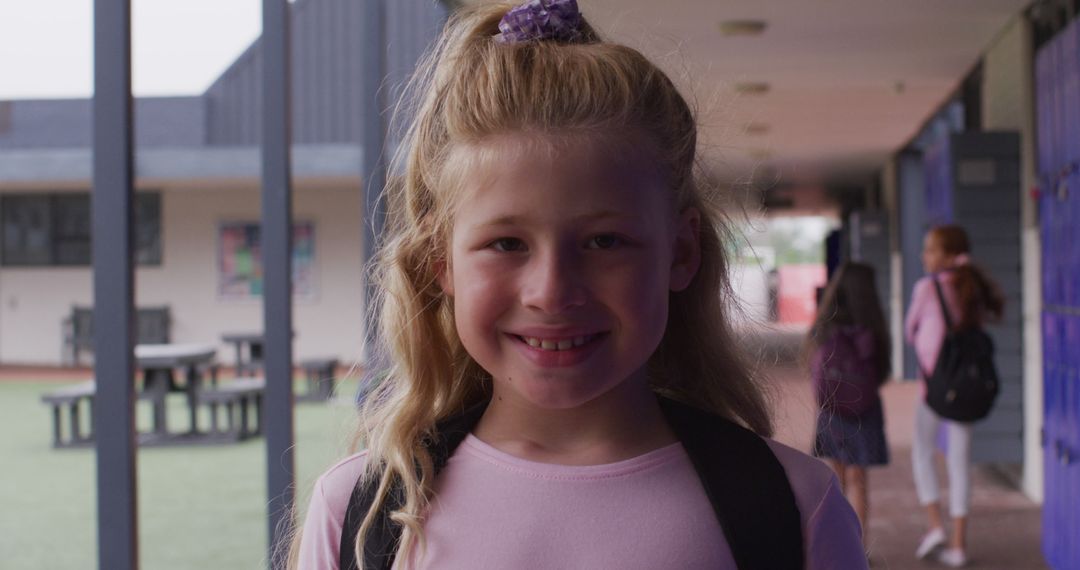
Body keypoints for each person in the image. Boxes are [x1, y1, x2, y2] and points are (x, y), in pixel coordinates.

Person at [291, 1, 866, 568]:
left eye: (604, 242)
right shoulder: (361, 515)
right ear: (442, 262)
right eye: (506, 244)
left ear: (681, 251)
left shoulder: (792, 510)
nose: (552, 290)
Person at [905, 224, 1004, 567]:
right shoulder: (970, 287)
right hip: (967, 388)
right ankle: (959, 545)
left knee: (922, 451)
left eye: (931, 250)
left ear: (948, 256)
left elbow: (910, 331)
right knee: (959, 462)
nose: (924, 256)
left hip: (935, 387)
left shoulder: (927, 288)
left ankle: (936, 525)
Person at [806, 262, 891, 550]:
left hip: (832, 409)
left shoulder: (825, 325)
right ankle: (860, 547)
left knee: (837, 478)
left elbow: (813, 365)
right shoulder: (873, 327)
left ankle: (837, 545)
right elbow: (882, 370)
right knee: (860, 480)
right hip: (864, 410)